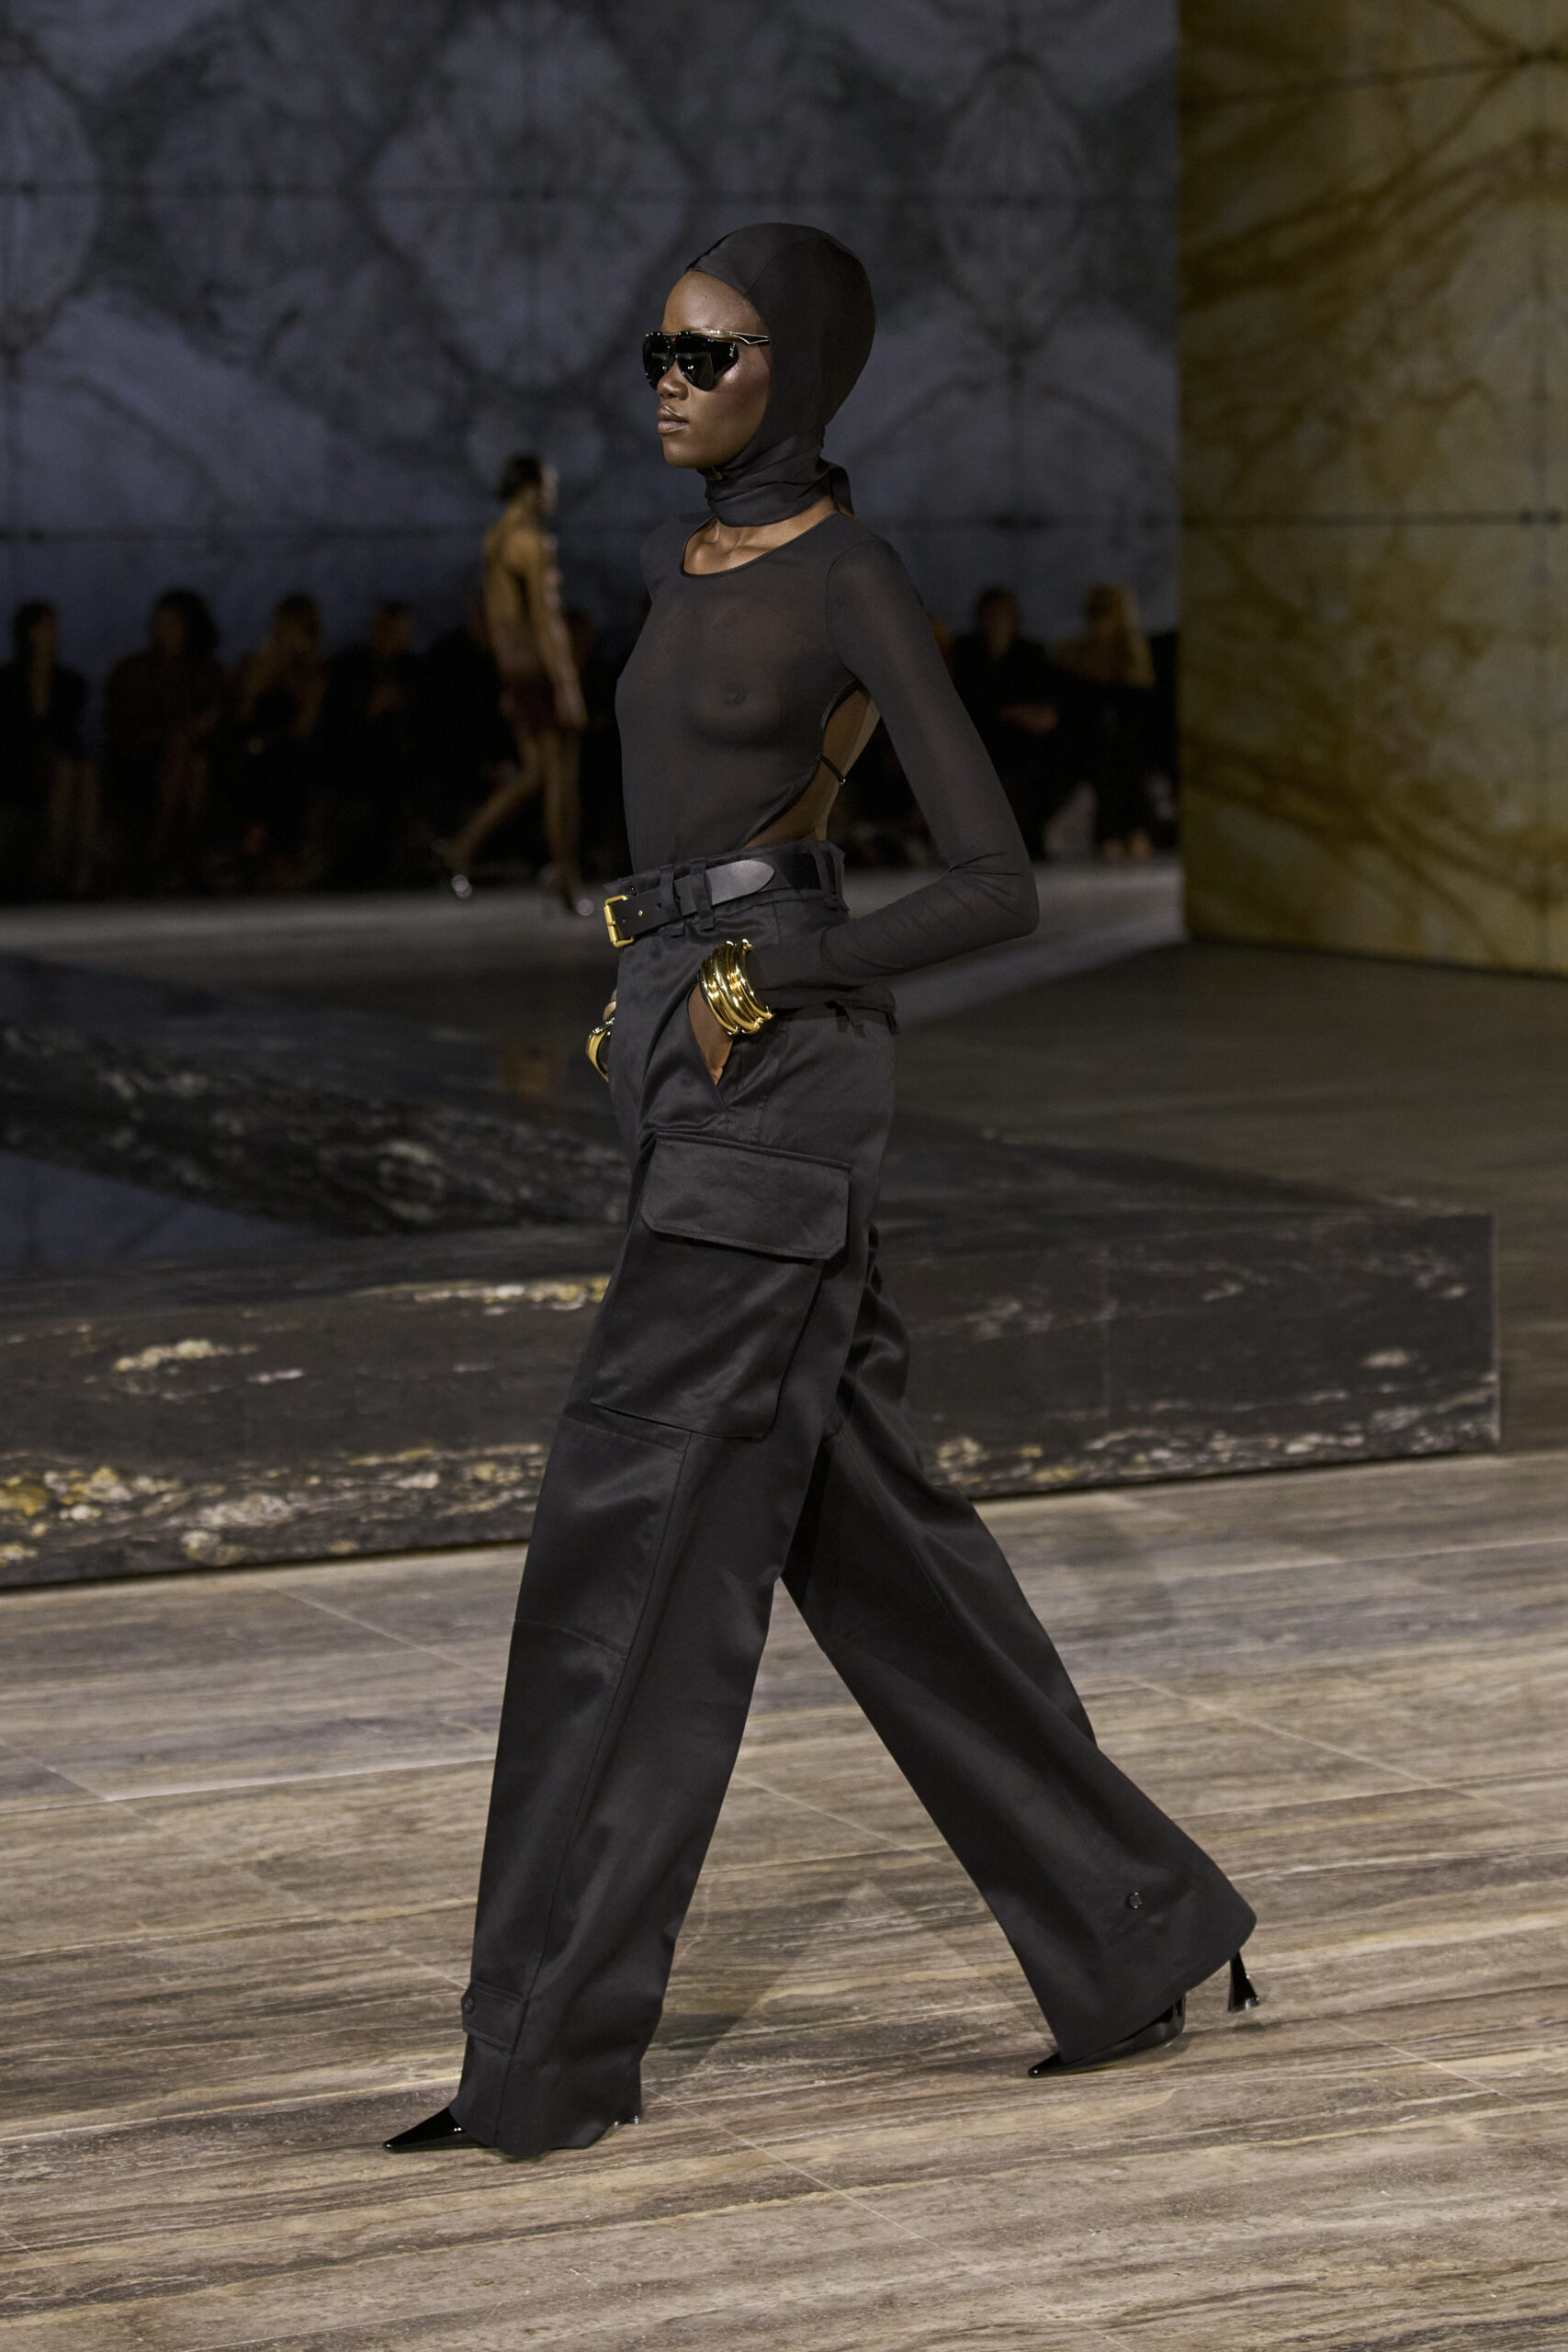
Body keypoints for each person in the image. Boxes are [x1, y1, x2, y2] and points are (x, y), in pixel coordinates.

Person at [385, 223, 1257, 2165]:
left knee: (623, 1534)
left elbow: (995, 881)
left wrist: (767, 978)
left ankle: (539, 2061)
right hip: (682, 1050)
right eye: (659, 351)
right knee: (867, 1535)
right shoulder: (666, 566)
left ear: (802, 369)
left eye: (712, 353)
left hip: (772, 1065)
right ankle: (1134, 1927)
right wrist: (657, 999)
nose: (671, 381)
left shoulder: (850, 572)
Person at [440, 455, 590, 910]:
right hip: (540, 672)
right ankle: (566, 879)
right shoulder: (531, 542)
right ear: (530, 488)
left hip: (515, 671)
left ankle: (462, 848)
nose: (553, 495)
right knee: (561, 778)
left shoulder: (496, 540)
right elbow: (547, 621)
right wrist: (566, 683)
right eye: (549, 485)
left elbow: (495, 618)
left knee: (536, 775)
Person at [101, 590, 225, 894]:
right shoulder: (135, 670)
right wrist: (173, 734)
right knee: (184, 754)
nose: (164, 630)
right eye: (161, 623)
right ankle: (166, 847)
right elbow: (122, 724)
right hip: (139, 762)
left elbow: (220, 721)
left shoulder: (207, 672)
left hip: (194, 762)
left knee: (195, 762)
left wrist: (195, 731)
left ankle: (169, 848)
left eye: (173, 623)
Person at [320, 600, 422, 889]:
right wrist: (370, 708)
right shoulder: (349, 667)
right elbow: (335, 722)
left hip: (401, 766)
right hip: (353, 764)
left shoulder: (412, 669)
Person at [952, 586, 1062, 854]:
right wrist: (1011, 713)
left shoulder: (1030, 654)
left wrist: (1008, 714)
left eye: (1002, 614)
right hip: (977, 741)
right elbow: (963, 705)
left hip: (1022, 747)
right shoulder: (966, 653)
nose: (996, 621)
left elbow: (1046, 716)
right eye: (990, 614)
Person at [231, 593, 327, 890]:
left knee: (283, 762)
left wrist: (287, 674)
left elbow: (303, 726)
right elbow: (243, 715)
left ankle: (263, 844)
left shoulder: (312, 673)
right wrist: (261, 676)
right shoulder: (256, 664)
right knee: (261, 763)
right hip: (251, 749)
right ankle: (255, 840)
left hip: (286, 752)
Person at [1055, 582, 1157, 861]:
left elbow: (1139, 717)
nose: (1099, 622)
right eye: (1094, 614)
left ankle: (1135, 831)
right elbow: (1075, 715)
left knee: (1125, 758)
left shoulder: (1134, 657)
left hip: (1126, 746)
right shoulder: (1075, 656)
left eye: (1105, 613)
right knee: (1107, 758)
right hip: (1086, 743)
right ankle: (1117, 833)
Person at [0, 602, 93, 899]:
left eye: (53, 626)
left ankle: (76, 871)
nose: (52, 633)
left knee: (83, 774)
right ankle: (57, 866)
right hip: (17, 768)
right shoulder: (7, 680)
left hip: (60, 763)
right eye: (43, 627)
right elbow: (14, 734)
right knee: (69, 772)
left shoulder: (70, 682)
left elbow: (64, 730)